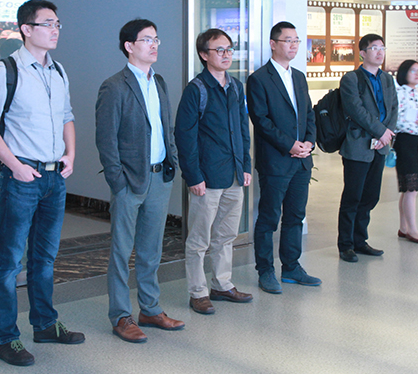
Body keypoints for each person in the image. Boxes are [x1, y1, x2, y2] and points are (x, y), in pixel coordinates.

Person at [0, 0, 84, 367]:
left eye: (57, 24)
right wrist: (15, 166)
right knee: (9, 261)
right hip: (21, 179)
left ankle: (45, 324)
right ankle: (7, 338)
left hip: (55, 178)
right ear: (26, 29)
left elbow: (67, 116)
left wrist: (71, 154)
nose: (55, 30)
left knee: (45, 258)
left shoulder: (58, 70)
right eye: (47, 24)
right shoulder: (5, 71)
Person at [95, 18, 184, 343]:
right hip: (129, 181)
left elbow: (166, 127)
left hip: (160, 177)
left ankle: (150, 308)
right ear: (129, 46)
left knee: (151, 250)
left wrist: (172, 161)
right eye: (147, 39)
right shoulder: (114, 86)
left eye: (156, 39)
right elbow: (106, 139)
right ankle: (121, 316)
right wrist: (117, 180)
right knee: (121, 251)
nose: (154, 45)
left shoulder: (158, 81)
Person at [175, 29, 253, 315]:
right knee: (199, 240)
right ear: (204, 55)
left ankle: (221, 284)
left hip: (233, 174)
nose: (226, 54)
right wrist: (193, 175)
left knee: (226, 235)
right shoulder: (196, 90)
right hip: (207, 178)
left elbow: (243, 130)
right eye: (219, 50)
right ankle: (198, 292)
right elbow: (184, 136)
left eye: (229, 49)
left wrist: (245, 166)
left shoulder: (236, 87)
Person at [246, 21, 320, 294]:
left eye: (296, 40)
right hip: (276, 160)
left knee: (295, 216)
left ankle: (291, 267)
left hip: (302, 160)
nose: (293, 45)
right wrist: (290, 145)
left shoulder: (299, 77)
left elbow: (308, 113)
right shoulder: (259, 79)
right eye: (288, 40)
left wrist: (309, 142)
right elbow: (261, 120)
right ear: (273, 44)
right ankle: (265, 270)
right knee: (268, 218)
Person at [337, 33, 398, 263]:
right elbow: (356, 110)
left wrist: (387, 133)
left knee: (371, 196)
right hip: (358, 145)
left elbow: (394, 108)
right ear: (362, 53)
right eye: (374, 48)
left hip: (380, 146)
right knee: (353, 196)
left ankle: (360, 241)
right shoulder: (351, 79)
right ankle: (346, 245)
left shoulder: (387, 79)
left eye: (382, 48)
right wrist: (381, 131)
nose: (380, 52)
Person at [394, 60, 418, 244]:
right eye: (412, 70)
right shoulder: (398, 94)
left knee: (411, 188)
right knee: (411, 188)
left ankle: (404, 228)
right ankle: (413, 230)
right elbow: (397, 121)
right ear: (404, 73)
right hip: (405, 142)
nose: (417, 74)